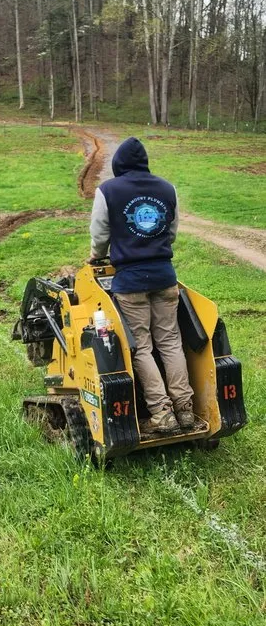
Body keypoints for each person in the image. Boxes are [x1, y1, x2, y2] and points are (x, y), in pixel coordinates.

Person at [89, 136, 194, 435]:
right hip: (164, 277)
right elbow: (171, 232)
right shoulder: (166, 188)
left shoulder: (108, 190)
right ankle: (185, 410)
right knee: (171, 342)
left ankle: (161, 413)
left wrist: (97, 255)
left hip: (130, 281)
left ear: (118, 164)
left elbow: (100, 234)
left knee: (142, 348)